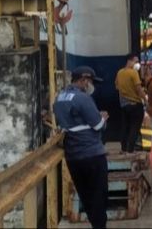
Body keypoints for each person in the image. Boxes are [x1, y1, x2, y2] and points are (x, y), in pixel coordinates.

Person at [53, 66, 108, 229]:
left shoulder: (60, 97)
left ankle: (95, 224)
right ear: (83, 80)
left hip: (73, 156)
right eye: (90, 82)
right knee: (99, 195)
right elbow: (98, 126)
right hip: (92, 154)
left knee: (86, 195)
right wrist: (103, 118)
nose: (91, 86)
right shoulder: (82, 98)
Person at [115, 53, 146, 153]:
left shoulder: (119, 72)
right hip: (135, 104)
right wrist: (145, 99)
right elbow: (138, 88)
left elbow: (117, 86)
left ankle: (123, 148)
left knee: (125, 126)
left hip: (124, 105)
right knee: (134, 127)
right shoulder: (133, 73)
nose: (137, 64)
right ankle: (130, 149)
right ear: (130, 61)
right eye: (136, 61)